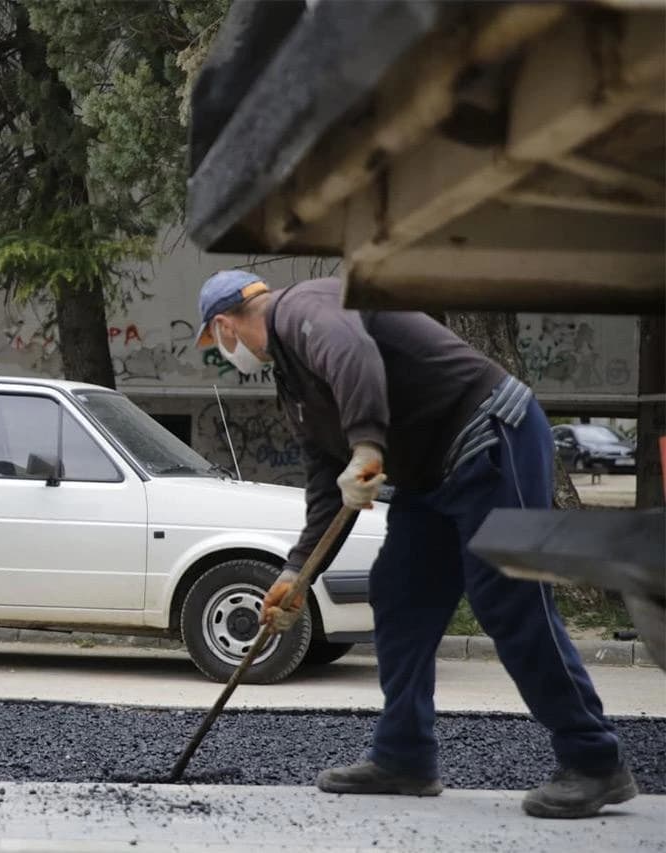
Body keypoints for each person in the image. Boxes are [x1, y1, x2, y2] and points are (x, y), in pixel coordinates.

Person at [195, 269, 636, 819]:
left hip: (489, 436)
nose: (225, 354)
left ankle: (594, 760)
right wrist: (296, 573)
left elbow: (354, 355)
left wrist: (366, 445)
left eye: (218, 344)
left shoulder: (306, 307)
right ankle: (405, 757)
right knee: (399, 596)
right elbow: (325, 485)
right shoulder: (293, 384)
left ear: (224, 323)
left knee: (508, 598)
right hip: (430, 479)